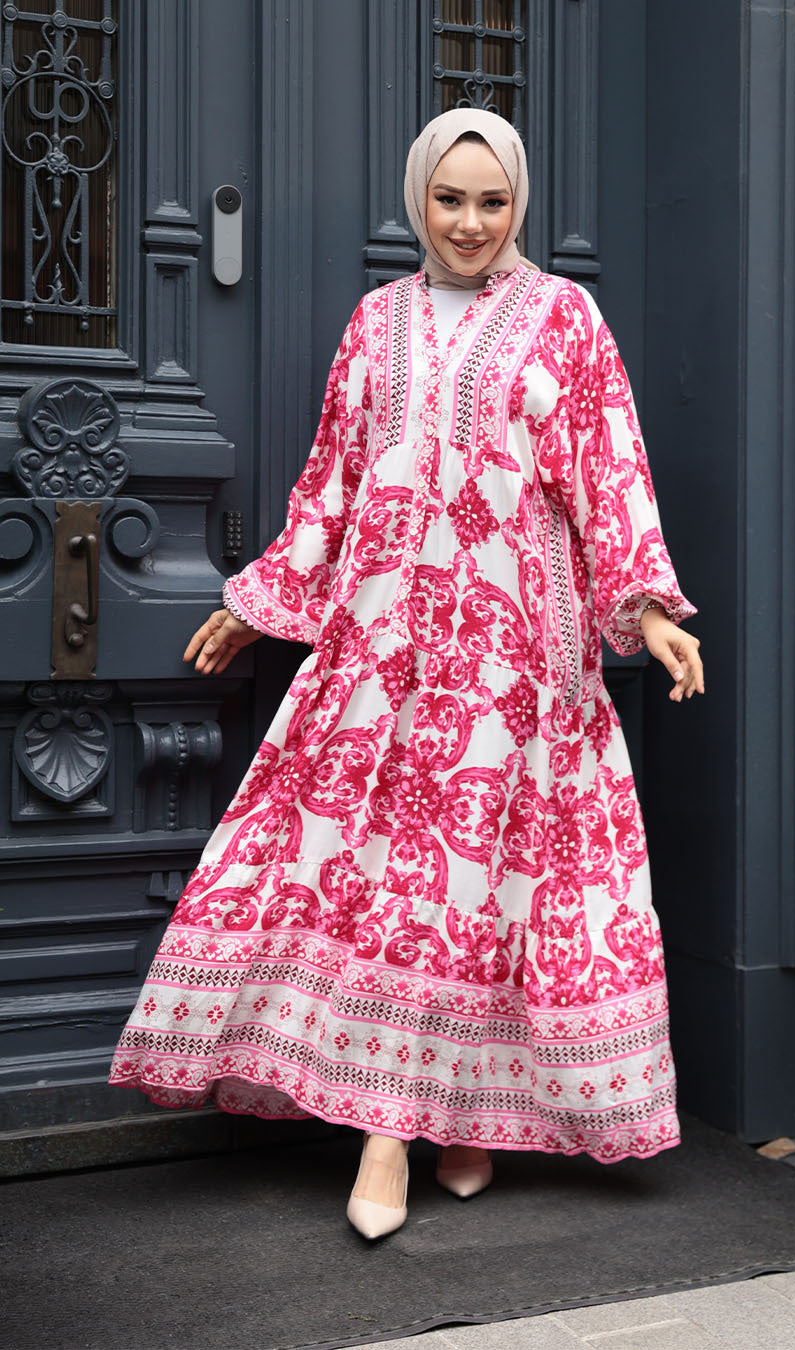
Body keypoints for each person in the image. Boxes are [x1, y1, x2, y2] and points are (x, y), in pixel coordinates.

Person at [109, 108, 703, 1241]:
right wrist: (254, 604)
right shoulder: (375, 323)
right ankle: (403, 1126)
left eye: (492, 202)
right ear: (417, 200)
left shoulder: (564, 320)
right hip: (383, 648)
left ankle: (442, 1120)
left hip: (514, 651)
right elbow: (330, 483)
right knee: (392, 887)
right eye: (450, 199)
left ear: (517, 203)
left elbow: (609, 474)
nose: (471, 223)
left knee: (480, 886)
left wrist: (651, 608)